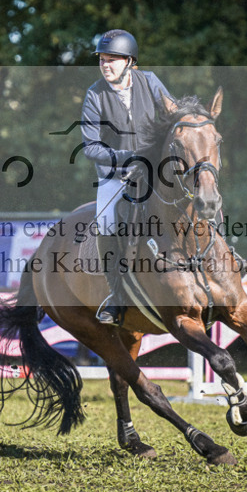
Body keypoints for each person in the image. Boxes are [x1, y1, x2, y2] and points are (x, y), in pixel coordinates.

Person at [79, 29, 173, 325]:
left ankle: (226, 260)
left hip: (154, 168)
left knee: (197, 194)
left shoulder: (150, 81)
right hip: (116, 175)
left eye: (112, 60)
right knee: (106, 221)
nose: (105, 65)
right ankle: (117, 297)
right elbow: (90, 146)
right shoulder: (95, 94)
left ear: (130, 61)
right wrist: (124, 159)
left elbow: (172, 116)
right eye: (102, 60)